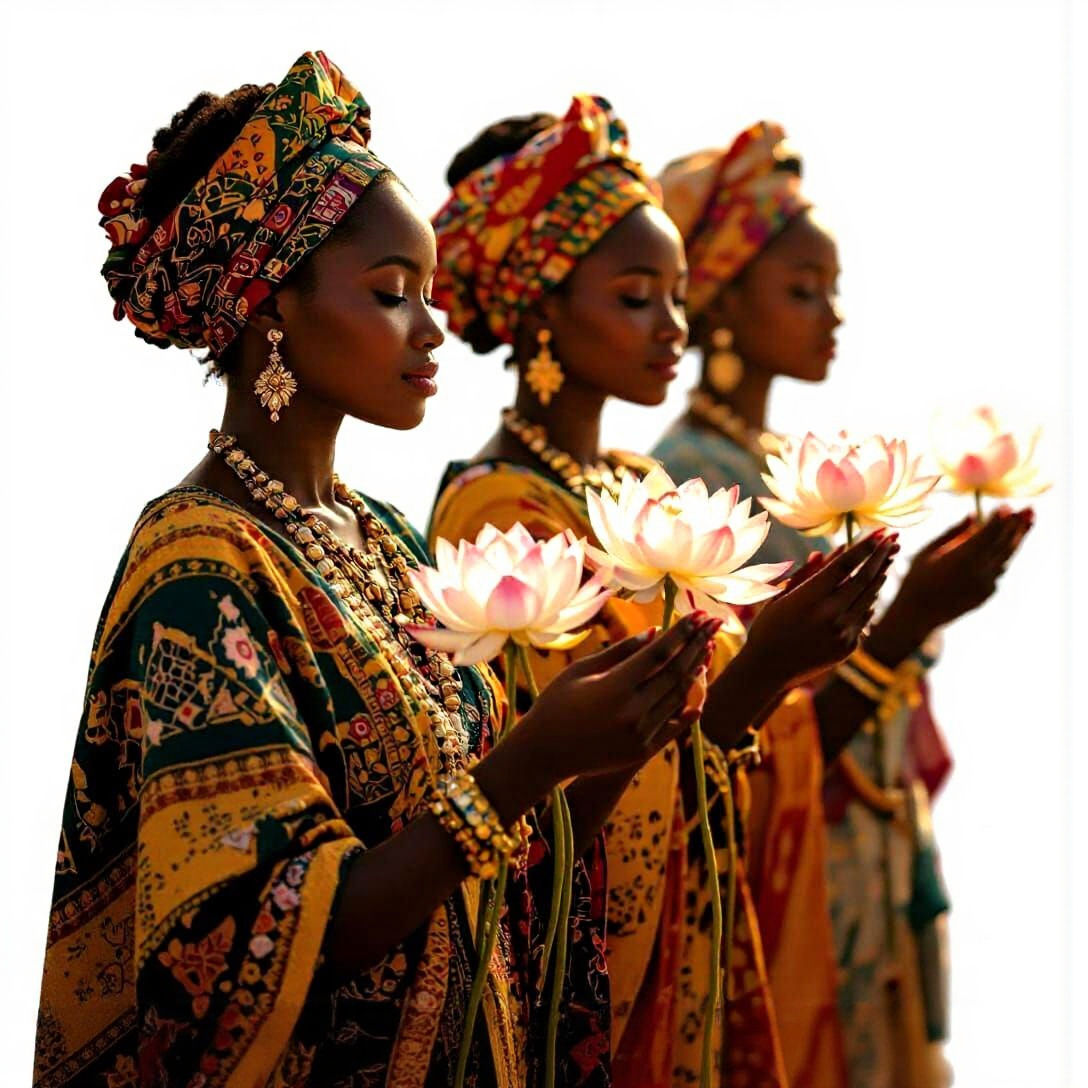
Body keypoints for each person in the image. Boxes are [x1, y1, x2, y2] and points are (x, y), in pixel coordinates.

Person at [33, 54, 720, 1088]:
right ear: (271, 307)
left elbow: (507, 871)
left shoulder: (390, 544)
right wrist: (528, 760)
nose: (431, 328)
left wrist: (619, 731)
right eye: (393, 293)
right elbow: (246, 946)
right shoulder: (197, 564)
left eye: (432, 292)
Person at [429, 98, 897, 1087]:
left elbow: (717, 747)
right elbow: (556, 812)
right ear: (539, 305)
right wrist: (765, 662)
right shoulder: (499, 511)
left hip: (696, 961)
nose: (672, 328)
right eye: (638, 297)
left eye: (679, 295)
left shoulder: (640, 486)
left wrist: (800, 662)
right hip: (588, 993)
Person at [655, 121, 1033, 1088]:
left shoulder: (783, 473)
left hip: (856, 869)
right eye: (802, 290)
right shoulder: (692, 484)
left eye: (834, 291)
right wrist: (905, 622)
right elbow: (729, 737)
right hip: (785, 877)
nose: (832, 316)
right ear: (724, 301)